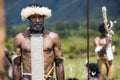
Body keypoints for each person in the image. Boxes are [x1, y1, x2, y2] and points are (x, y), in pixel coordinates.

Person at [13, 3, 65, 80]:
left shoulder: (53, 37)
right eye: (34, 17)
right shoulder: (20, 38)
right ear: (28, 18)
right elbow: (16, 66)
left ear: (44, 18)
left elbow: (59, 65)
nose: (37, 20)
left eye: (40, 17)